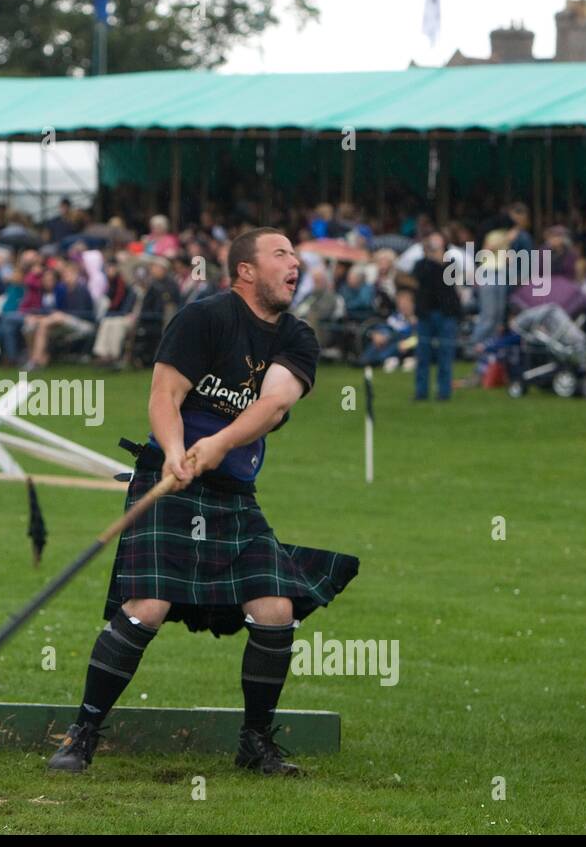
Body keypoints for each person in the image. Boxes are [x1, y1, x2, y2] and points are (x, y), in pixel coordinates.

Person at [48, 227, 360, 776]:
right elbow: (164, 395)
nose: (296, 263)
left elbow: (273, 405)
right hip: (167, 479)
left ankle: (255, 743)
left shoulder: (297, 337)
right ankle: (83, 733)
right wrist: (174, 451)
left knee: (275, 609)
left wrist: (217, 443)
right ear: (246, 270)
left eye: (295, 255)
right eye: (281, 254)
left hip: (233, 490)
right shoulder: (203, 318)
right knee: (146, 607)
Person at [399, 231, 461, 401]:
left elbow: (448, 280)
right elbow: (417, 278)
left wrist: (438, 258)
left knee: (445, 354)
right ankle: (421, 392)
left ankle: (444, 392)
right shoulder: (421, 264)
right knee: (423, 354)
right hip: (426, 313)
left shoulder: (451, 263)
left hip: (446, 313)